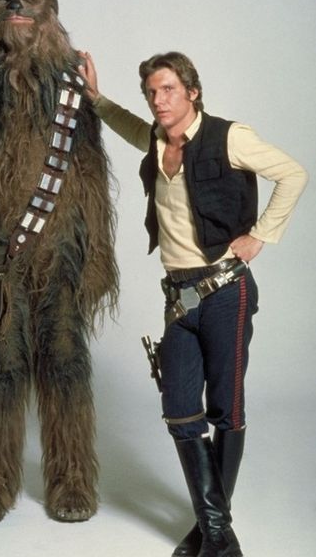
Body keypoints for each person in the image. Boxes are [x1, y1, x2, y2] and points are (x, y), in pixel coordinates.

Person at [78, 51, 308, 557]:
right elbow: (127, 124)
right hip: (179, 298)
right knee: (180, 410)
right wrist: (95, 97)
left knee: (226, 410)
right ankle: (218, 534)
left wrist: (260, 236)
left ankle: (211, 533)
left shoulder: (229, 137)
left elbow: (293, 174)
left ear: (192, 92)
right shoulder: (156, 140)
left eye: (168, 90)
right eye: (152, 93)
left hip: (227, 290)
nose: (158, 101)